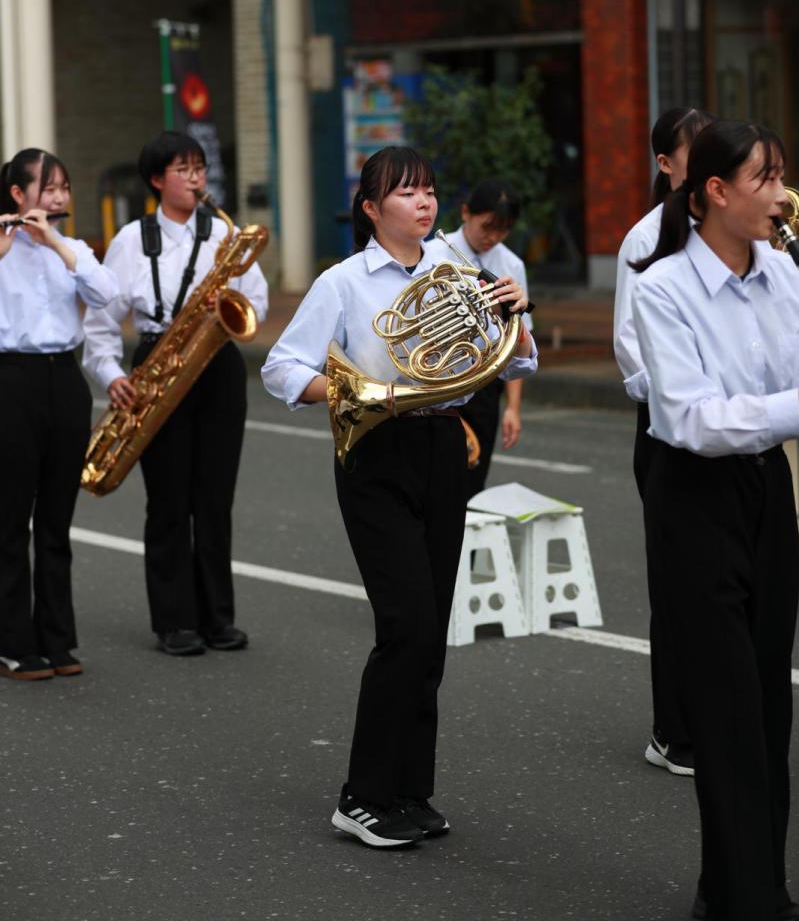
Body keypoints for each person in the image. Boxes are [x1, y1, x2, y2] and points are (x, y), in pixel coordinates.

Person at [262, 147, 537, 848]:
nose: (423, 201)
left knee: (431, 632)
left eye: (429, 190)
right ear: (370, 207)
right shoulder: (342, 283)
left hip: (444, 448)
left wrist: (515, 312)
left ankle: (409, 790)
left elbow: (518, 357)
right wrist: (360, 393)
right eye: (406, 191)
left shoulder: (461, 274)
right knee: (405, 624)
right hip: (376, 451)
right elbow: (280, 367)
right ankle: (360, 796)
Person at [630, 121, 799, 921]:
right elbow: (692, 419)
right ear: (715, 193)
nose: (779, 193)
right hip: (694, 497)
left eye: (780, 176)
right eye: (763, 178)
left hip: (768, 488)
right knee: (728, 708)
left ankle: (747, 881)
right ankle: (746, 899)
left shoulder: (783, 271)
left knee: (769, 704)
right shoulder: (662, 286)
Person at [82, 132, 268, 657]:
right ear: (158, 180)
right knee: (168, 499)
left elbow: (254, 298)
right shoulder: (131, 240)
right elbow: (101, 321)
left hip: (216, 363)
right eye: (183, 169)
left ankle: (216, 618)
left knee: (215, 498)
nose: (195, 178)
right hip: (157, 358)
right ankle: (174, 621)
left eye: (200, 168)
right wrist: (110, 373)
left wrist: (223, 300)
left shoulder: (223, 234)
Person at [613, 106, 716, 776]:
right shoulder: (645, 238)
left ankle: (720, 715)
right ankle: (671, 729)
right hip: (669, 429)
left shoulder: (740, 236)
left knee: (730, 589)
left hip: (737, 432)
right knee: (678, 584)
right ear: (666, 164)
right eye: (697, 153)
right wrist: (688, 398)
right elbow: (630, 347)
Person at [0, 149, 118, 681]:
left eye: (64, 188)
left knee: (55, 520)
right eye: (48, 188)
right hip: (10, 380)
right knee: (9, 521)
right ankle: (12, 641)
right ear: (17, 195)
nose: (59, 198)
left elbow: (108, 295)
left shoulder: (70, 247)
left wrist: (55, 243)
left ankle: (57, 638)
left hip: (64, 382)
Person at [444, 179, 533, 498]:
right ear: (466, 213)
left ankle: (466, 546)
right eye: (487, 227)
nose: (493, 237)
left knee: (473, 475)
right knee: (439, 479)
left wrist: (513, 408)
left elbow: (518, 337)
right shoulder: (435, 253)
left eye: (503, 230)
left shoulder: (511, 264)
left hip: (485, 385)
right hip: (442, 378)